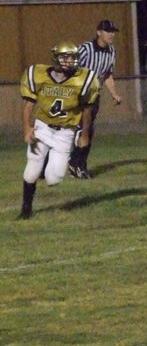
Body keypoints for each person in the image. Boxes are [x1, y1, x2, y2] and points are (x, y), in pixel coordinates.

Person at [19, 42, 100, 219]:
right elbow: (28, 105)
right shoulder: (38, 74)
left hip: (65, 132)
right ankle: (26, 209)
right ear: (56, 58)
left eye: (73, 58)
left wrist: (84, 135)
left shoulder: (83, 79)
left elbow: (87, 109)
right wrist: (27, 128)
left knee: (53, 178)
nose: (70, 61)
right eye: (66, 57)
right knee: (31, 169)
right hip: (42, 128)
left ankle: (45, 162)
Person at [67, 19, 123, 179]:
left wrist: (114, 93)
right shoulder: (86, 49)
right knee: (84, 129)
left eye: (113, 31)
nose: (111, 34)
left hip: (94, 95)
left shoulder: (111, 51)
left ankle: (76, 163)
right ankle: (78, 164)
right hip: (79, 94)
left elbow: (107, 75)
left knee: (88, 130)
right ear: (99, 32)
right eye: (108, 31)